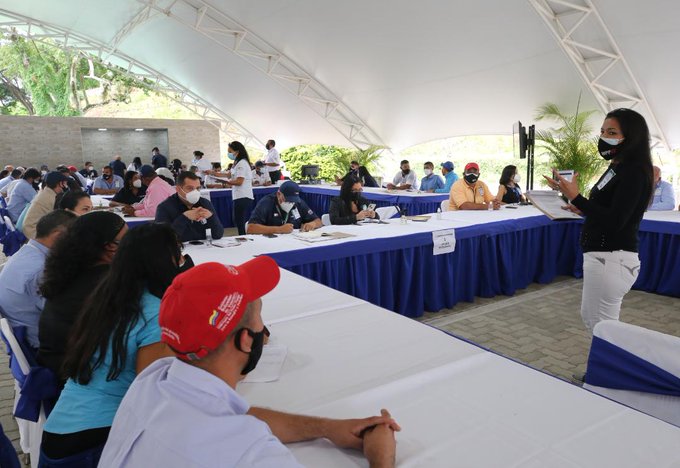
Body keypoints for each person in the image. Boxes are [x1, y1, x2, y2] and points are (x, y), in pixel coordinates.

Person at [98, 259, 399, 468]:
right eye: (259, 317)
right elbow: (237, 432)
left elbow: (237, 415)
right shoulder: (247, 452)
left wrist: (327, 427)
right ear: (246, 340)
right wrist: (380, 457)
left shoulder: (153, 380)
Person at [39, 223, 182, 466]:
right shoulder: (154, 313)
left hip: (61, 429)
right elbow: (152, 394)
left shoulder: (107, 296)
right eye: (178, 252)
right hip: (94, 444)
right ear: (164, 261)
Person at [545, 108, 654, 334]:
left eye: (612, 132)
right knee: (597, 322)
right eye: (603, 131)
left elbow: (616, 220)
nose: (604, 137)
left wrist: (577, 197)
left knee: (602, 327)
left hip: (611, 257)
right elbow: (607, 209)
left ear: (632, 137)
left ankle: (612, 359)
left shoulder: (633, 172)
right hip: (605, 257)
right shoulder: (616, 167)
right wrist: (580, 206)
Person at [38, 212, 128, 378]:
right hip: (75, 372)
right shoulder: (106, 281)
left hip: (56, 361)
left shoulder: (68, 270)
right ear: (110, 246)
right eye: (127, 239)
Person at [0, 210, 76, 349]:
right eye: (76, 238)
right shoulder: (41, 269)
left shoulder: (27, 252)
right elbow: (65, 315)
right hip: (44, 345)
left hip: (27, 332)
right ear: (58, 236)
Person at [155, 171, 224, 242]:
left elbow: (218, 234)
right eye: (190, 188)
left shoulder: (205, 203)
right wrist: (184, 217)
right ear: (178, 189)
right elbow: (163, 239)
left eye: (198, 188)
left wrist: (211, 218)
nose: (195, 192)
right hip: (179, 247)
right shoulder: (164, 208)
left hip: (203, 247)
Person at [248, 181, 322, 234]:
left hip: (294, 241)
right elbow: (251, 228)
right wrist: (279, 229)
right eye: (287, 200)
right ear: (278, 194)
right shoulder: (266, 202)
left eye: (293, 201)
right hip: (271, 243)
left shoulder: (298, 202)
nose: (290, 203)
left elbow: (318, 221)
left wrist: (312, 224)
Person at [22, 172, 70, 239]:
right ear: (59, 183)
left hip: (32, 230)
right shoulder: (50, 197)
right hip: (35, 233)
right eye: (64, 183)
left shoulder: (46, 192)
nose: (65, 186)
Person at [222, 141, 254, 235]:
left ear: (237, 151)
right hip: (238, 195)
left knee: (239, 220)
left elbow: (239, 181)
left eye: (230, 151)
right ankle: (243, 236)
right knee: (238, 220)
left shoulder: (242, 163)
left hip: (243, 195)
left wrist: (227, 182)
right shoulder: (236, 162)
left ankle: (243, 238)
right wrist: (213, 174)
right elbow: (228, 175)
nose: (229, 154)